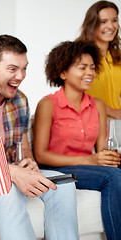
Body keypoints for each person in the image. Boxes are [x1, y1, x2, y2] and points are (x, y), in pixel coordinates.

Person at [0, 34, 79, 240]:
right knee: (8, 189)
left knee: (63, 185)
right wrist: (8, 171)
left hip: (11, 170)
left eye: (24, 69)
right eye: (13, 69)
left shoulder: (20, 100)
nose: (21, 76)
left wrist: (28, 164)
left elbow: (23, 148)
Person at [33, 40, 121, 240]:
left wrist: (109, 158)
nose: (89, 73)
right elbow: (41, 155)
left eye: (92, 67)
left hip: (89, 169)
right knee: (112, 177)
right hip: (59, 170)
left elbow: (102, 150)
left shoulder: (97, 105)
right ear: (63, 73)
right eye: (82, 68)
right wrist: (90, 160)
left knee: (114, 171)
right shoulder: (48, 104)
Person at [77, 1, 121, 117]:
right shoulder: (80, 55)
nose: (110, 26)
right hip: (88, 123)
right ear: (92, 24)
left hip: (115, 125)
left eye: (114, 20)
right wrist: (113, 112)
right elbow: (74, 94)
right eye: (103, 22)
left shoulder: (118, 56)